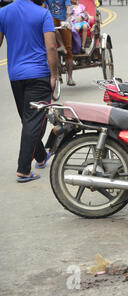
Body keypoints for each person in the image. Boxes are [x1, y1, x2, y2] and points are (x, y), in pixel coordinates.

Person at [0, 0, 57, 182]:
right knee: (33, 122)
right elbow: (51, 47)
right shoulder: (43, 14)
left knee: (29, 120)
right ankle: (23, 170)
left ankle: (40, 157)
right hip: (39, 75)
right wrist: (54, 75)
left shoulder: (4, 12)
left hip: (16, 76)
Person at [44, 0, 76, 86]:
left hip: (64, 20)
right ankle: (55, 73)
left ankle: (70, 78)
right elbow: (43, 7)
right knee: (51, 49)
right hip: (52, 20)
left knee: (68, 49)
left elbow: (68, 8)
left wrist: (67, 19)